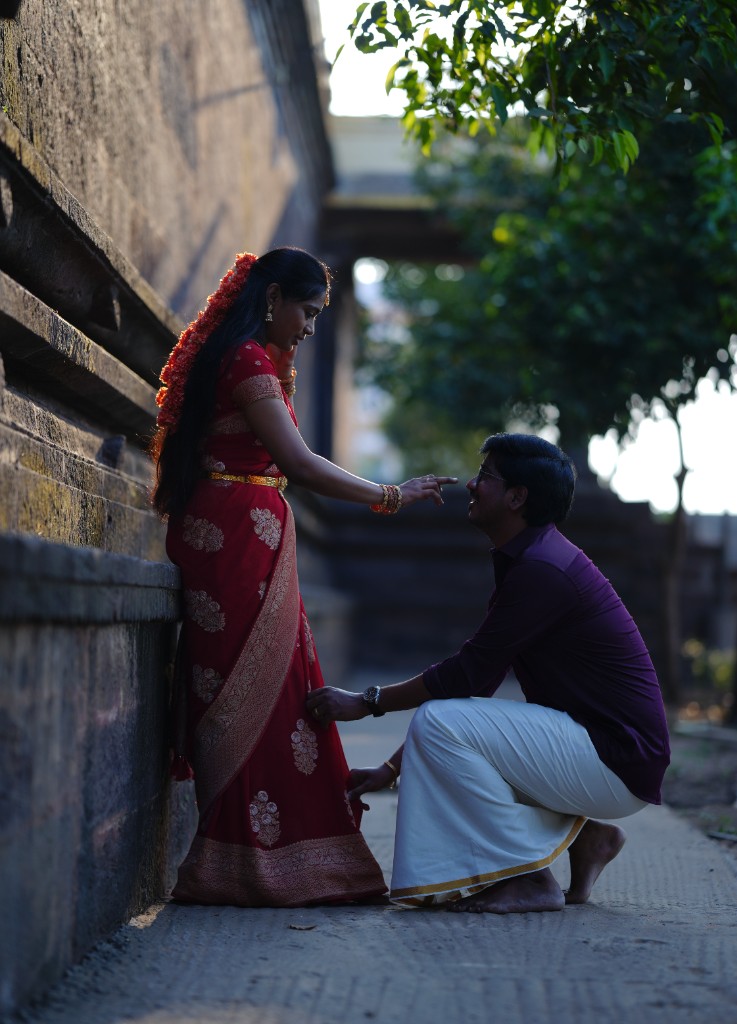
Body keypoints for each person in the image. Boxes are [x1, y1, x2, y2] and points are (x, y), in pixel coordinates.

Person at [150, 247, 456, 907]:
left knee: (279, 690)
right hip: (232, 535)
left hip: (242, 529)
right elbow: (302, 464)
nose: (312, 326)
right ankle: (240, 859)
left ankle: (270, 855)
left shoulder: (248, 359)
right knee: (241, 689)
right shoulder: (246, 360)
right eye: (309, 311)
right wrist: (390, 495)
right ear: (272, 300)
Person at [307, 432, 671, 914]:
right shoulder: (534, 558)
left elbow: (466, 676)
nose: (473, 486)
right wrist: (392, 768)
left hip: (617, 758)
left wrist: (368, 701)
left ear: (518, 497)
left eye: (486, 477)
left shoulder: (544, 569)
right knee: (444, 727)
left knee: (440, 725)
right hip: (608, 755)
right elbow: (473, 687)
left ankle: (527, 878)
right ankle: (589, 838)